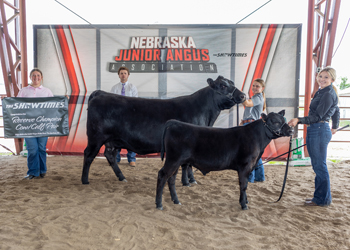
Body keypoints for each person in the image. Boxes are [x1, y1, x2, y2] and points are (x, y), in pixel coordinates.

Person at [288, 66, 340, 207]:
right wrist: (335, 126)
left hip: (318, 129)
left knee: (319, 166)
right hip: (317, 129)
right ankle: (320, 197)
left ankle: (322, 200)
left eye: (326, 77)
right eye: (320, 76)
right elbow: (336, 111)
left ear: (332, 79)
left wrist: (298, 119)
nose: (322, 79)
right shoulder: (323, 91)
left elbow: (317, 116)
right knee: (318, 165)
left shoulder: (328, 93)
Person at [17, 68, 54, 179]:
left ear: (41, 78)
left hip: (43, 125)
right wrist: (7, 100)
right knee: (32, 149)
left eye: (38, 75)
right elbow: (16, 105)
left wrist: (63, 100)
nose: (36, 77)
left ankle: (42, 170)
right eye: (33, 75)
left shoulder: (47, 91)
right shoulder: (23, 91)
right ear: (30, 77)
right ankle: (32, 172)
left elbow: (54, 105)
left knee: (42, 148)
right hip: (28, 126)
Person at [110, 66, 138, 167]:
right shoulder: (114, 88)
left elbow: (135, 102)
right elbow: (112, 103)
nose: (123, 75)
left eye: (125, 73)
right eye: (121, 73)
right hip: (117, 117)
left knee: (131, 138)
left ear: (128, 75)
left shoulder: (132, 87)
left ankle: (131, 159)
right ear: (118, 75)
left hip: (130, 117)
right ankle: (116, 158)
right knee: (116, 137)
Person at [240, 78, 266, 183]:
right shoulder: (256, 97)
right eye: (254, 86)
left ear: (262, 88)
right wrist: (243, 122)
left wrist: (240, 97)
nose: (255, 88)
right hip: (249, 123)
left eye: (257, 86)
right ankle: (259, 177)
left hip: (251, 124)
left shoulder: (258, 97)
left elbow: (247, 104)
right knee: (255, 153)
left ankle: (250, 178)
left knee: (250, 153)